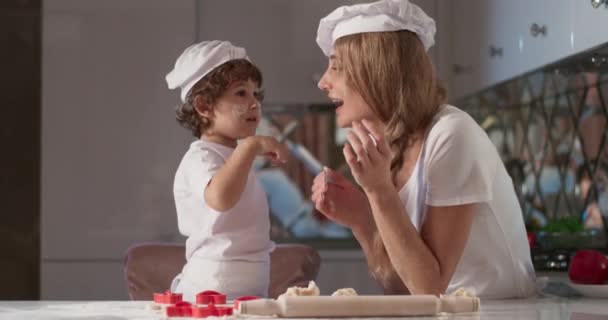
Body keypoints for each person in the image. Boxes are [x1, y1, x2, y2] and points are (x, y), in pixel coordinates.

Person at [310, 0, 536, 299]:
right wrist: (361, 220)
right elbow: (403, 285)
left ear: (378, 72)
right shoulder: (392, 149)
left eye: (336, 66)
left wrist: (378, 193)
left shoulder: (451, 135)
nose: (323, 82)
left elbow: (429, 289)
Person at [165, 41, 288, 301]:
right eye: (241, 93)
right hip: (208, 290)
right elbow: (220, 198)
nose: (254, 103)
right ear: (204, 106)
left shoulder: (235, 156)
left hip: (249, 287)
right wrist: (251, 146)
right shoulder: (200, 156)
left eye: (256, 94)